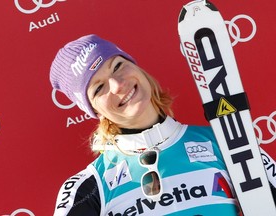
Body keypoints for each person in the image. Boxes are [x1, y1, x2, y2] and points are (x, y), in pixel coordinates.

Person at [50, 34, 242, 215]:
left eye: (117, 66)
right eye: (99, 88)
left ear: (135, 67)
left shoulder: (224, 144)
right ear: (94, 110)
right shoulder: (89, 187)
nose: (117, 85)